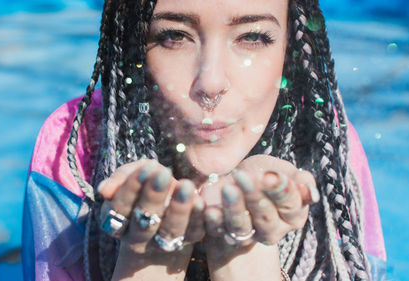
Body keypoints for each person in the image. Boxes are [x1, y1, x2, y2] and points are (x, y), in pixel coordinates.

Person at [22, 0, 387, 280]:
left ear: (289, 53)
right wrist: (146, 262)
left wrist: (247, 253)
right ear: (134, 48)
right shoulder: (76, 142)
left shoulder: (326, 144)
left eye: (252, 36)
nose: (210, 83)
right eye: (174, 36)